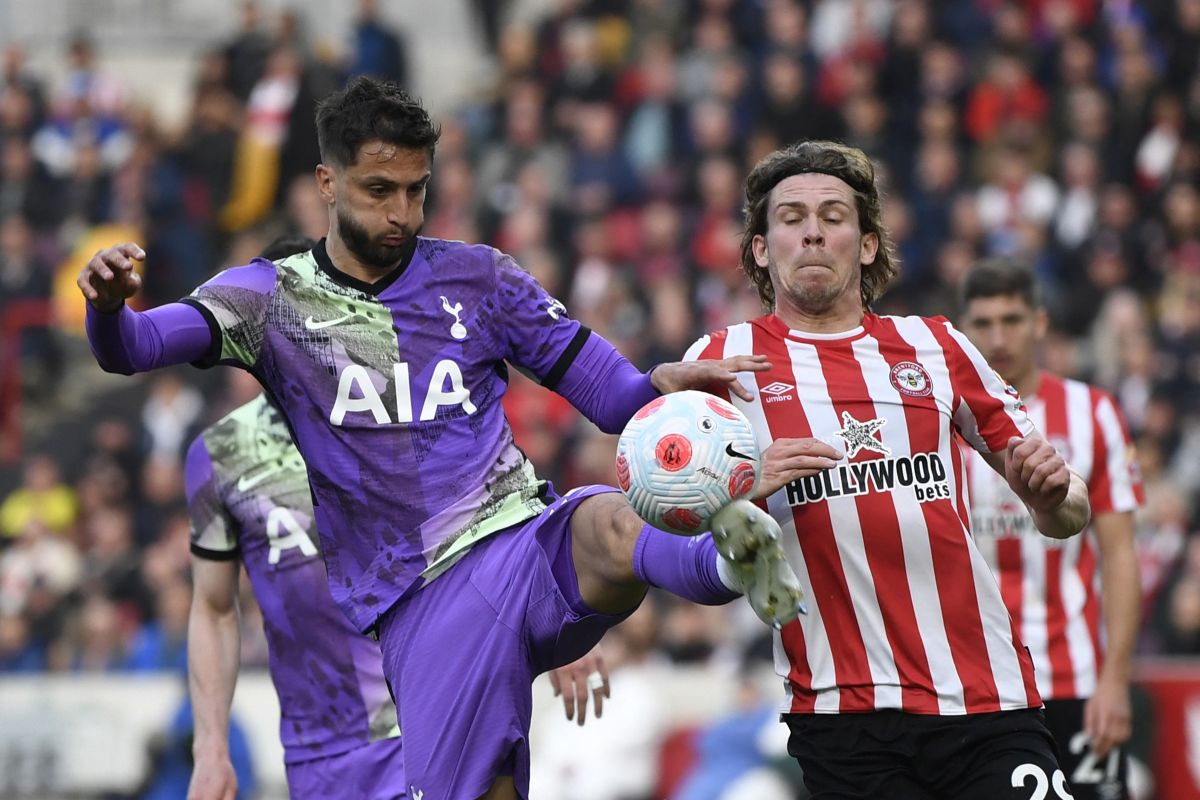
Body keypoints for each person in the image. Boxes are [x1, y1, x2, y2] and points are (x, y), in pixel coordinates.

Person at [78, 76, 803, 800]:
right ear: (328, 183)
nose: (402, 213)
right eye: (379, 190)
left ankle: (730, 564)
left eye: (417, 191)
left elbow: (612, 400)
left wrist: (661, 383)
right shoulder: (268, 300)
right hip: (421, 598)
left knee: (610, 522)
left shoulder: (480, 278)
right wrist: (110, 309)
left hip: (518, 538)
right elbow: (134, 347)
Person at [684, 140, 1092, 800]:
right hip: (842, 717)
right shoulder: (719, 363)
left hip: (986, 697)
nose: (813, 230)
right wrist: (735, 488)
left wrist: (1052, 497)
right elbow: (669, 524)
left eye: (834, 216)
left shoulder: (936, 345)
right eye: (790, 218)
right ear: (761, 249)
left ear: (868, 244)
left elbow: (1069, 506)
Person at [959, 258, 1143, 800]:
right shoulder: (943, 420)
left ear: (1040, 323)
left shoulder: (1094, 412)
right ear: (962, 331)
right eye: (983, 323)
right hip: (981, 685)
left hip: (1078, 680)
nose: (998, 337)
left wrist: (1115, 680)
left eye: (1012, 320)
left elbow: (1120, 554)